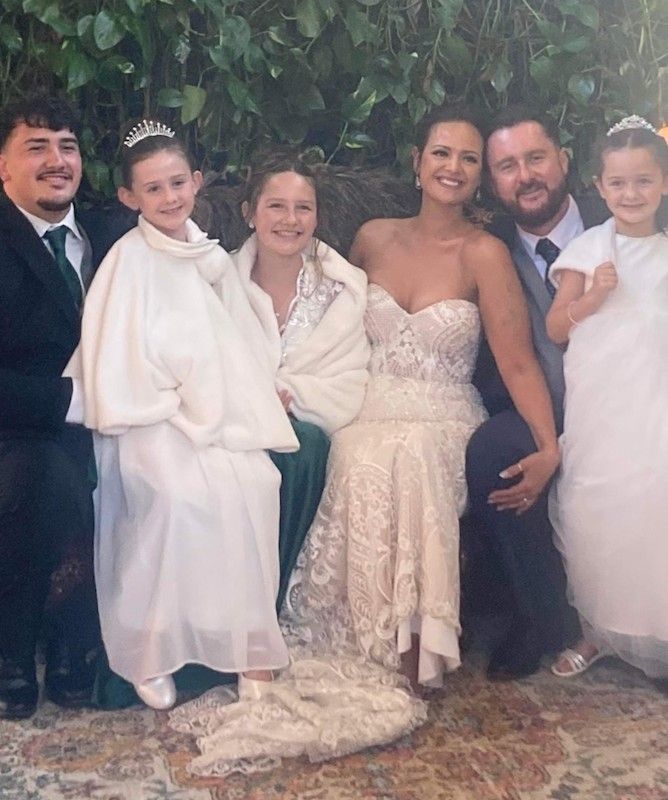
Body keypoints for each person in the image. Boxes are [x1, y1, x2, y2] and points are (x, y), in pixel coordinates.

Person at [169, 105, 558, 774]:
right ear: (417, 162)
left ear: (479, 176)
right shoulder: (373, 238)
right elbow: (317, 311)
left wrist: (548, 446)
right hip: (368, 403)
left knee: (406, 457)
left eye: (468, 158)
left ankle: (411, 652)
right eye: (441, 153)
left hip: (442, 412)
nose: (453, 167)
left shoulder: (485, 254)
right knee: (348, 451)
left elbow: (518, 361)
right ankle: (336, 639)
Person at [68, 121, 299, 710]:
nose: (169, 197)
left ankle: (245, 645)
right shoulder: (126, 263)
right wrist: (174, 399)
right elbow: (116, 359)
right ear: (130, 197)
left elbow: (237, 337)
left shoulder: (209, 257)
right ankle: (153, 648)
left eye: (177, 183)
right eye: (153, 189)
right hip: (147, 415)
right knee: (176, 494)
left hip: (212, 409)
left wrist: (257, 387)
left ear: (196, 182)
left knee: (250, 482)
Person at [466, 105, 607, 680]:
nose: (525, 176)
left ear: (563, 160)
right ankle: (540, 616)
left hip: (625, 403)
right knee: (495, 452)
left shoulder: (622, 217)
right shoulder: (488, 247)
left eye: (536, 158)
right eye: (507, 166)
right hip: (539, 406)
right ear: (492, 181)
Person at [0, 94, 119, 719]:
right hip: (21, 425)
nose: (56, 160)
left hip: (119, 416)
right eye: (36, 146)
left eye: (67, 146)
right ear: (3, 166)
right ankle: (15, 652)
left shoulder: (115, 234)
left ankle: (98, 642)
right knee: (42, 473)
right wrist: (69, 401)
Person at [546, 117, 668, 679]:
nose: (631, 194)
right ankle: (595, 630)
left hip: (655, 400)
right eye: (618, 183)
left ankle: (655, 626)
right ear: (599, 186)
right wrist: (594, 296)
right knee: (597, 511)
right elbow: (556, 328)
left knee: (653, 509)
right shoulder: (588, 248)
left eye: (644, 181)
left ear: (663, 183)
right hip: (603, 406)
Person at [232, 149, 369, 610]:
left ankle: (266, 608)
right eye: (276, 206)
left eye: (303, 208)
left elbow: (349, 381)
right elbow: (202, 362)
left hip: (302, 430)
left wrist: (290, 398)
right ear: (249, 213)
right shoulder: (218, 282)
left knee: (301, 445)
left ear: (316, 217)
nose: (290, 220)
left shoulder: (341, 291)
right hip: (230, 422)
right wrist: (252, 402)